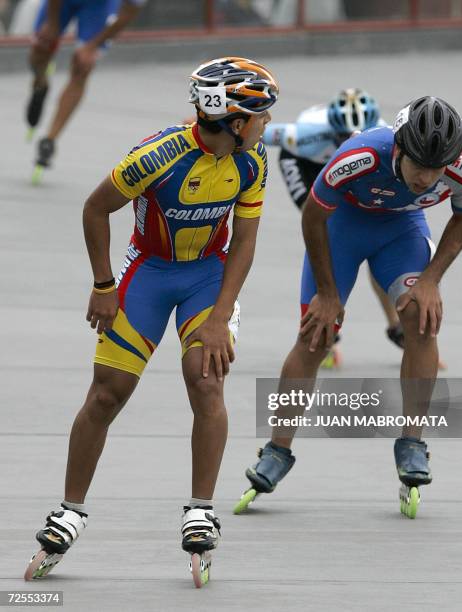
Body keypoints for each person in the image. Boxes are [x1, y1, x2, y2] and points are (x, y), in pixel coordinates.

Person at [24, 56, 279, 580]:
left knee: (205, 378)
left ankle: (201, 510)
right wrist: (102, 285)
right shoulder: (157, 155)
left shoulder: (253, 163)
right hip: (148, 271)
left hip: (207, 276)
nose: (267, 125)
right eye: (261, 116)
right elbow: (96, 209)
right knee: (105, 393)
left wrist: (221, 314)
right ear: (235, 121)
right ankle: (70, 510)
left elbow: (246, 241)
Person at [241, 96, 462, 511]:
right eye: (418, 165)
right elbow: (313, 217)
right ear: (400, 149)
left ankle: (412, 442)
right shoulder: (360, 156)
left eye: (436, 168)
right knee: (317, 336)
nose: (426, 177)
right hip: (341, 229)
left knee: (420, 321)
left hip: (400, 233)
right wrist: (329, 296)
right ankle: (277, 450)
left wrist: (431, 279)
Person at [262, 88, 406, 369]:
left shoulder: (385, 137)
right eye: (342, 138)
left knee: (373, 243)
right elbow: (258, 133)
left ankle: (396, 327)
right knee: (325, 232)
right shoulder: (306, 134)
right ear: (332, 132)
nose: (349, 142)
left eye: (356, 137)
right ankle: (324, 332)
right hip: (307, 166)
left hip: (358, 173)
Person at [25, 0, 146, 174]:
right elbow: (49, 28)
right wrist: (51, 23)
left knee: (82, 67)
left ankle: (50, 139)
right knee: (40, 49)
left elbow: (128, 13)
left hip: (97, 6)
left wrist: (92, 46)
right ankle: (40, 82)